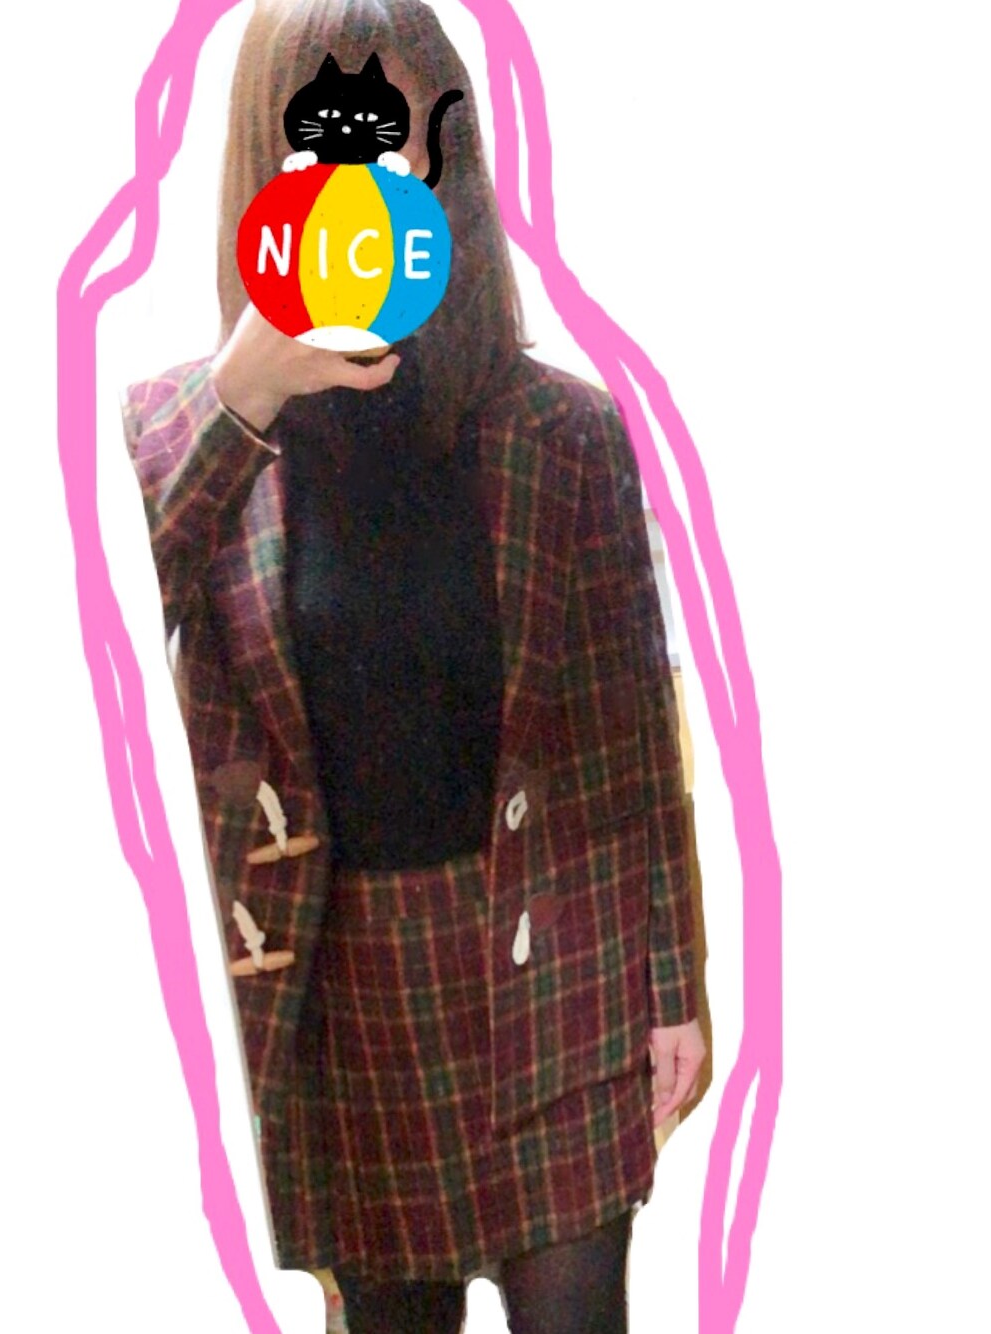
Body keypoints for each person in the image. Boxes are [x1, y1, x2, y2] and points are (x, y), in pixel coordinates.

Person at [122, 1, 706, 1330]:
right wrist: (245, 387)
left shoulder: (566, 432)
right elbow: (82, 637)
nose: (361, 185)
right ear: (262, 169)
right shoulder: (172, 437)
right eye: (319, 145)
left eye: (391, 143)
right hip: (346, 1010)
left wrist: (674, 990)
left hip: (559, 970)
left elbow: (632, 730)